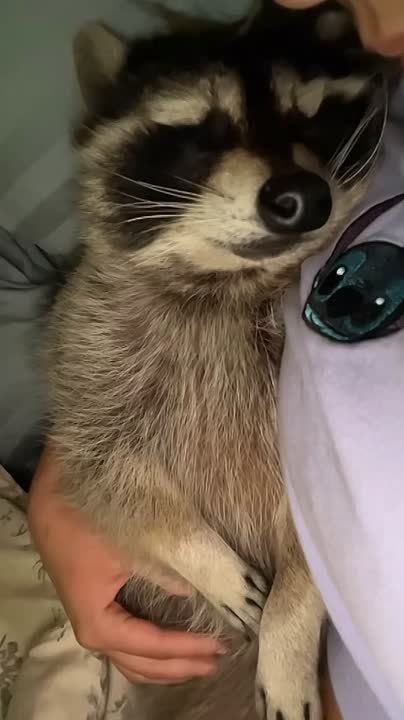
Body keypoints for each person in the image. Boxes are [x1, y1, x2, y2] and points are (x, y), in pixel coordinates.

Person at [27, 2, 404, 718]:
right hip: (186, 654)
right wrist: (185, 547)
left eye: (306, 132)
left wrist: (292, 615)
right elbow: (102, 454)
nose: (292, 182)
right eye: (202, 141)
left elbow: (324, 481)